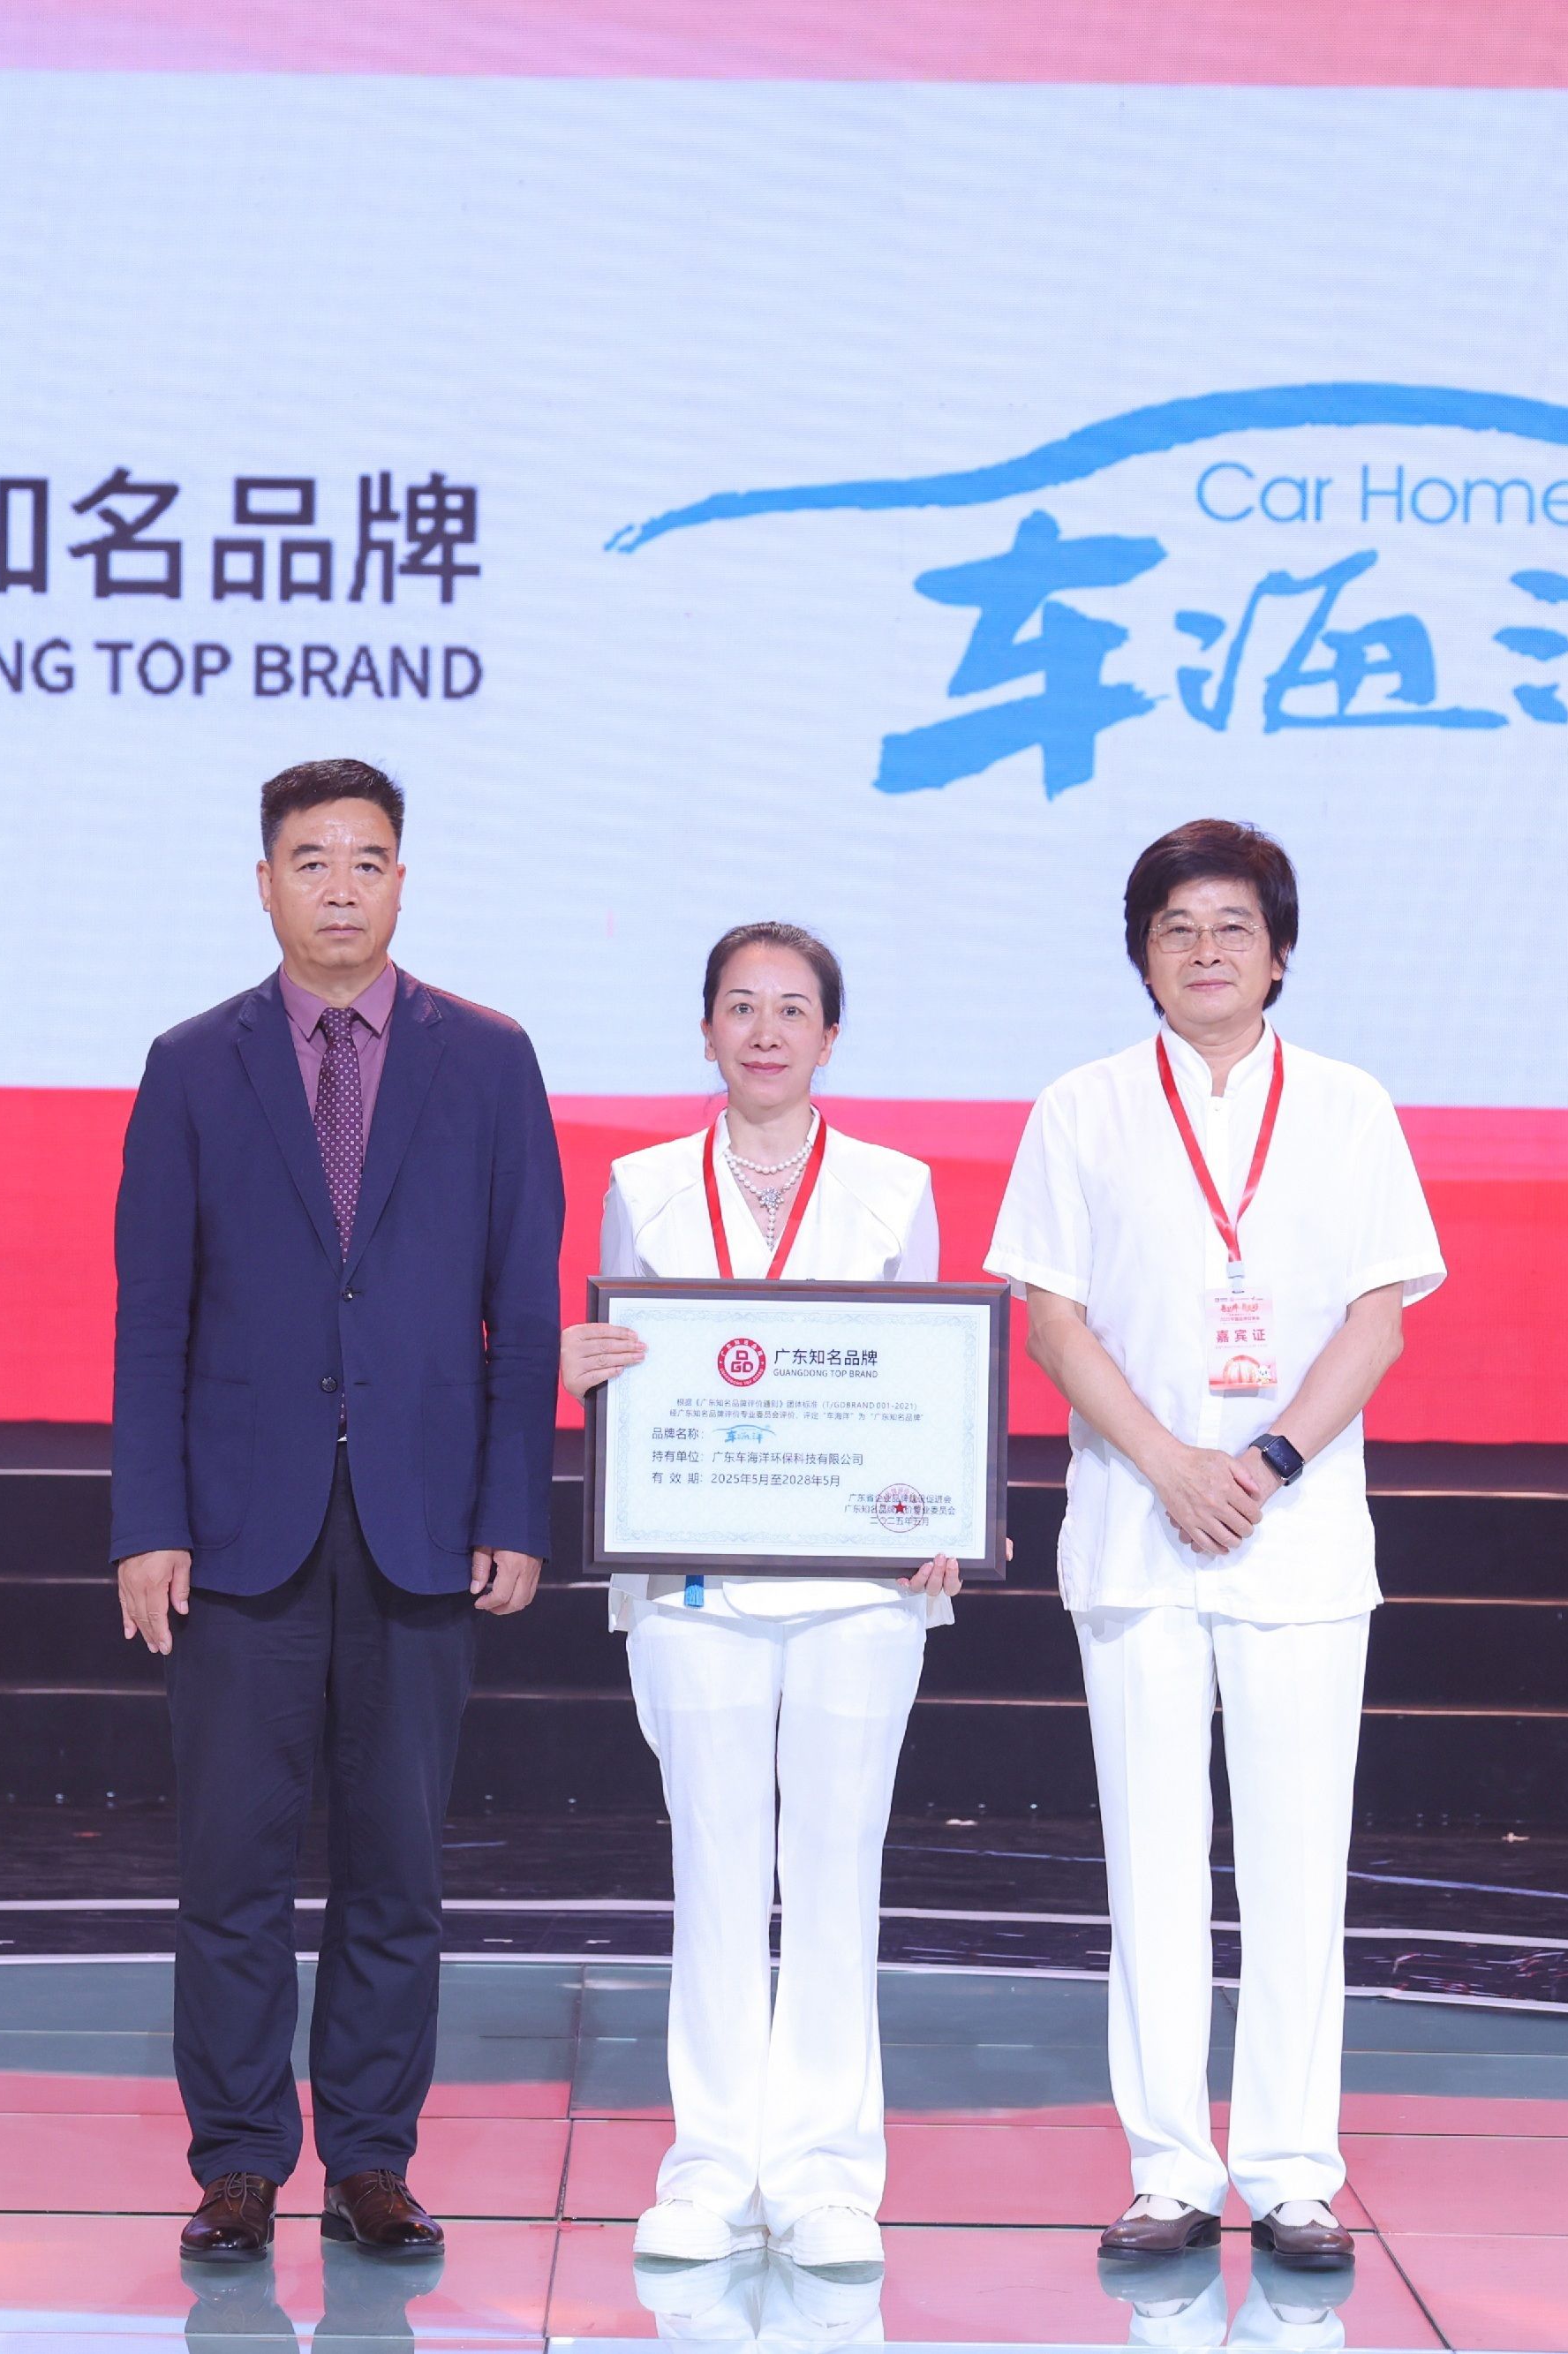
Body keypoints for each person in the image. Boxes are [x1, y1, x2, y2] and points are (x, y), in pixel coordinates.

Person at [110, 757, 564, 2262]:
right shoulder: (194, 1064)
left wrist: (514, 1507)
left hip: (422, 1523)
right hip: (241, 1528)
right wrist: (148, 1520)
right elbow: (152, 1316)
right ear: (265, 885)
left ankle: (372, 2156)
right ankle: (239, 2160)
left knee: (397, 1870)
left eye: (368, 860)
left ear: (402, 881)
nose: (341, 887)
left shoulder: (488, 1059)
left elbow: (522, 1314)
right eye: (312, 860)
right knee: (231, 1869)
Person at [982, 821, 1443, 2272]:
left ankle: (1294, 2171)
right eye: (1176, 926)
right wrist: (1175, 1464)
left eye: (1233, 925)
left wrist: (1269, 1459)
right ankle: (1170, 2169)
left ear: (1279, 953)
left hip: (1297, 1541)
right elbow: (1053, 1320)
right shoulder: (1083, 1106)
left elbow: (1379, 1316)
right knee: (1153, 1864)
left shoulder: (1351, 1107)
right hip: (1139, 1529)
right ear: (1142, 953)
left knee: (1301, 1864)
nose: (1205, 950)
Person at [560, 922, 960, 2273]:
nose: (768, 1031)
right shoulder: (643, 1184)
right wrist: (588, 1364)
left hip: (859, 1589)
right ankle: (711, 2165)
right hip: (695, 1581)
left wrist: (940, 1512)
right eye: (743, 1005)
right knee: (716, 1867)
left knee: (838, 1866)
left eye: (794, 1008)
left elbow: (927, 1381)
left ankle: (830, 2175)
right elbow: (630, 1372)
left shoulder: (895, 1187)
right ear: (707, 1029)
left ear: (831, 1035)